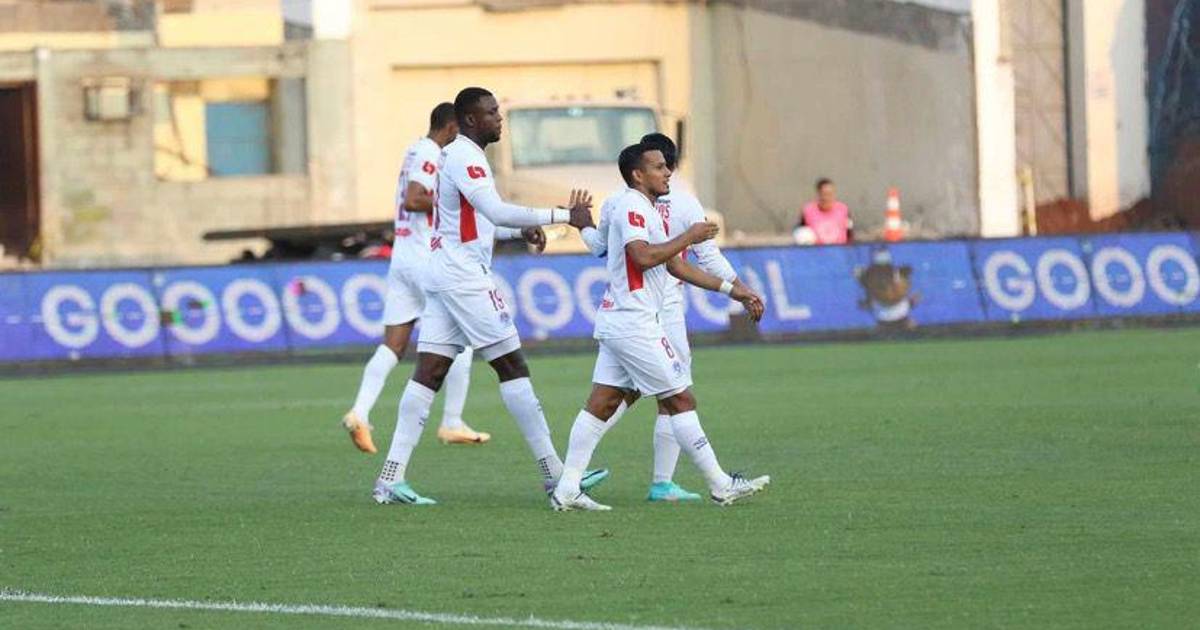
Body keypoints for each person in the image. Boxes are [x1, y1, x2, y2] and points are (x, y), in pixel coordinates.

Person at [371, 87, 605, 505]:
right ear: (471, 120)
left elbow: (476, 221)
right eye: (493, 112)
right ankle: (556, 477)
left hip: (445, 272)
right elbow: (494, 210)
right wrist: (563, 216)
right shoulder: (465, 157)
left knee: (429, 373)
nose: (500, 119)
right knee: (512, 366)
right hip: (464, 279)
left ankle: (390, 478)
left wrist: (521, 229)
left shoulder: (459, 156)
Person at [551, 143, 771, 511]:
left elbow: (674, 265)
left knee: (602, 404)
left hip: (623, 320)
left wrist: (732, 291)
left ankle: (567, 488)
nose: (667, 172)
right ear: (638, 175)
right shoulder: (632, 207)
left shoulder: (644, 208)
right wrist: (689, 236)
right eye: (658, 167)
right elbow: (641, 256)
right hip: (634, 323)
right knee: (679, 399)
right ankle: (720, 484)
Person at [341, 103, 490, 453]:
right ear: (451, 128)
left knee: (393, 345)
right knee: (463, 337)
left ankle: (359, 412)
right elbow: (414, 199)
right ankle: (452, 421)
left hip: (403, 258)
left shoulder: (413, 149)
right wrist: (453, 199)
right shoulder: (430, 152)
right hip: (425, 258)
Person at [794, 178, 853, 245]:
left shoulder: (843, 210)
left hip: (839, 250)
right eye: (824, 194)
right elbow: (800, 233)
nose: (827, 198)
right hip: (817, 250)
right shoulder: (808, 211)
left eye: (830, 194)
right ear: (818, 194)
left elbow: (850, 234)